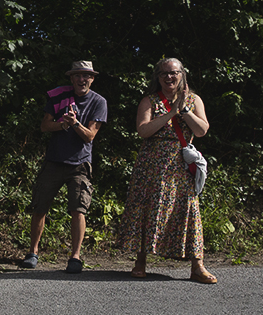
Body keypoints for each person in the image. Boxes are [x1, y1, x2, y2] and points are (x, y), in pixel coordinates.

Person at [118, 57, 216, 283]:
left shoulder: (194, 100)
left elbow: (201, 131)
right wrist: (171, 113)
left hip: (181, 164)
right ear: (158, 78)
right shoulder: (150, 101)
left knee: (189, 209)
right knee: (147, 207)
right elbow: (143, 130)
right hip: (151, 165)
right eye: (164, 74)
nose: (169, 77)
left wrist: (184, 111)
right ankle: (140, 261)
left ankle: (197, 265)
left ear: (182, 74)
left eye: (173, 73)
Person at [20, 61, 108, 273]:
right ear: (71, 78)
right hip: (54, 161)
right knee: (40, 207)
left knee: (78, 209)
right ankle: (33, 252)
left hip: (80, 164)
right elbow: (44, 126)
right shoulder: (58, 96)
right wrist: (62, 124)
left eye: (86, 76)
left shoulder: (99, 102)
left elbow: (90, 136)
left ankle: (75, 257)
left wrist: (75, 123)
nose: (82, 79)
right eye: (77, 75)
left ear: (92, 79)